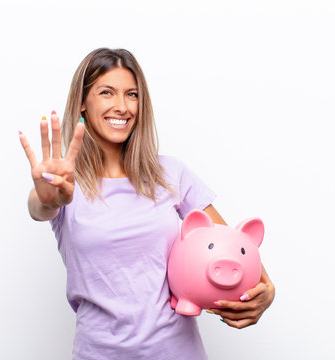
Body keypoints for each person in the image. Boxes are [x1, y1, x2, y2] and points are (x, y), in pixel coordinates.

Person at [19, 48, 275, 359]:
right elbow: (40, 206)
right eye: (106, 92)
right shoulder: (64, 184)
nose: (122, 106)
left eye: (132, 94)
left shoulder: (170, 173)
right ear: (83, 102)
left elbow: (232, 245)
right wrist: (46, 198)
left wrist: (267, 289)